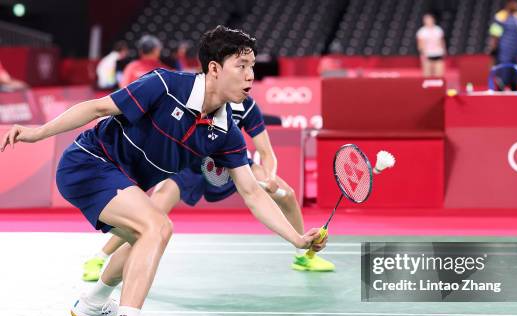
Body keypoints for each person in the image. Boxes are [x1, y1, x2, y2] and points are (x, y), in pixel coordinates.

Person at [0, 26, 326, 316]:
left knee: (150, 232)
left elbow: (252, 193)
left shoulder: (226, 129)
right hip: (89, 163)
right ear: (214, 68)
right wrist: (37, 133)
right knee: (155, 226)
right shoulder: (166, 85)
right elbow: (98, 108)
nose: (250, 76)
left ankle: (92, 303)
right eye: (241, 66)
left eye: (252, 67)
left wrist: (296, 239)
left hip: (120, 180)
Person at [81, 95, 335, 282]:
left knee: (286, 194)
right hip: (190, 164)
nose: (247, 76)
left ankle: (303, 256)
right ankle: (100, 257)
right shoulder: (195, 97)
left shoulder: (247, 106)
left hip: (233, 164)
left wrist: (269, 176)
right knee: (154, 210)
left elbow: (266, 152)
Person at [486, 0, 517, 91]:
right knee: (502, 81)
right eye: (516, 2)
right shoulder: (500, 17)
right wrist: (492, 54)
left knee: (515, 81)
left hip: (515, 54)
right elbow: (494, 37)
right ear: (509, 3)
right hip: (503, 54)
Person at [416, 14, 446, 78]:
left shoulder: (438, 29)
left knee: (439, 73)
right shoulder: (422, 31)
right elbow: (420, 44)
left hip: (438, 53)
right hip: (427, 54)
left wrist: (444, 50)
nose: (428, 21)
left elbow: (441, 41)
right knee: (427, 74)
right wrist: (422, 54)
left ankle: (439, 87)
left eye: (430, 19)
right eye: (427, 20)